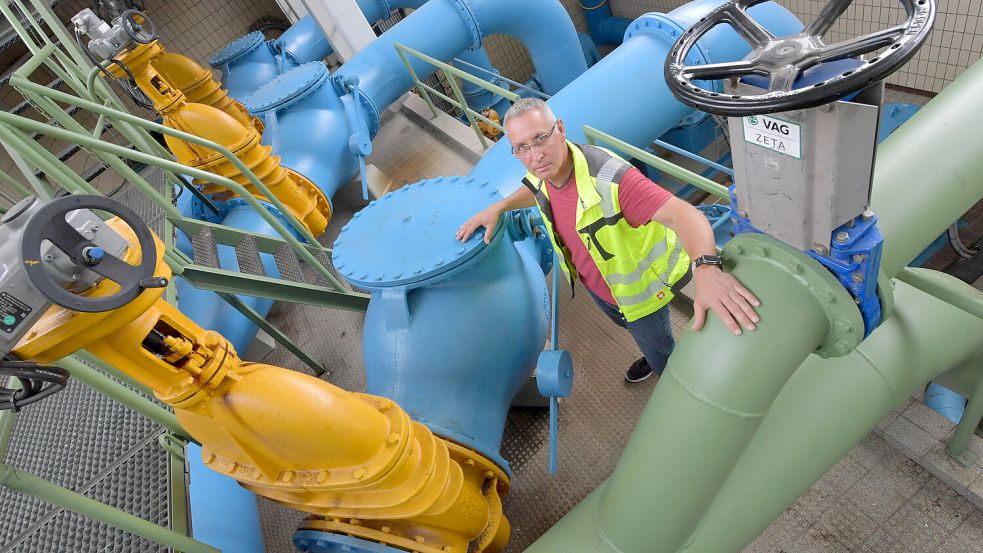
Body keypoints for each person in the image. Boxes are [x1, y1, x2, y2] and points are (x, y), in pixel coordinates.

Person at [456, 98, 760, 383]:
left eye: (540, 138)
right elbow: (535, 188)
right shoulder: (542, 170)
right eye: (521, 147)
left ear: (560, 130)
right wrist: (498, 207)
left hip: (640, 294)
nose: (535, 155)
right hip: (600, 287)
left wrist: (706, 269)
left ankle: (674, 381)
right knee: (632, 330)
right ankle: (653, 354)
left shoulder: (611, 179)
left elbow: (684, 215)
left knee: (661, 351)